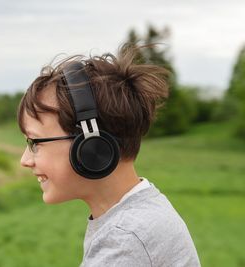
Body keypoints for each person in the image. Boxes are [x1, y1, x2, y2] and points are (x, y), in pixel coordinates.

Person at [17, 44, 201, 267]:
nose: (25, 160)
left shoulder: (126, 239)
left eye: (35, 142)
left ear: (89, 145)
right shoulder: (138, 216)